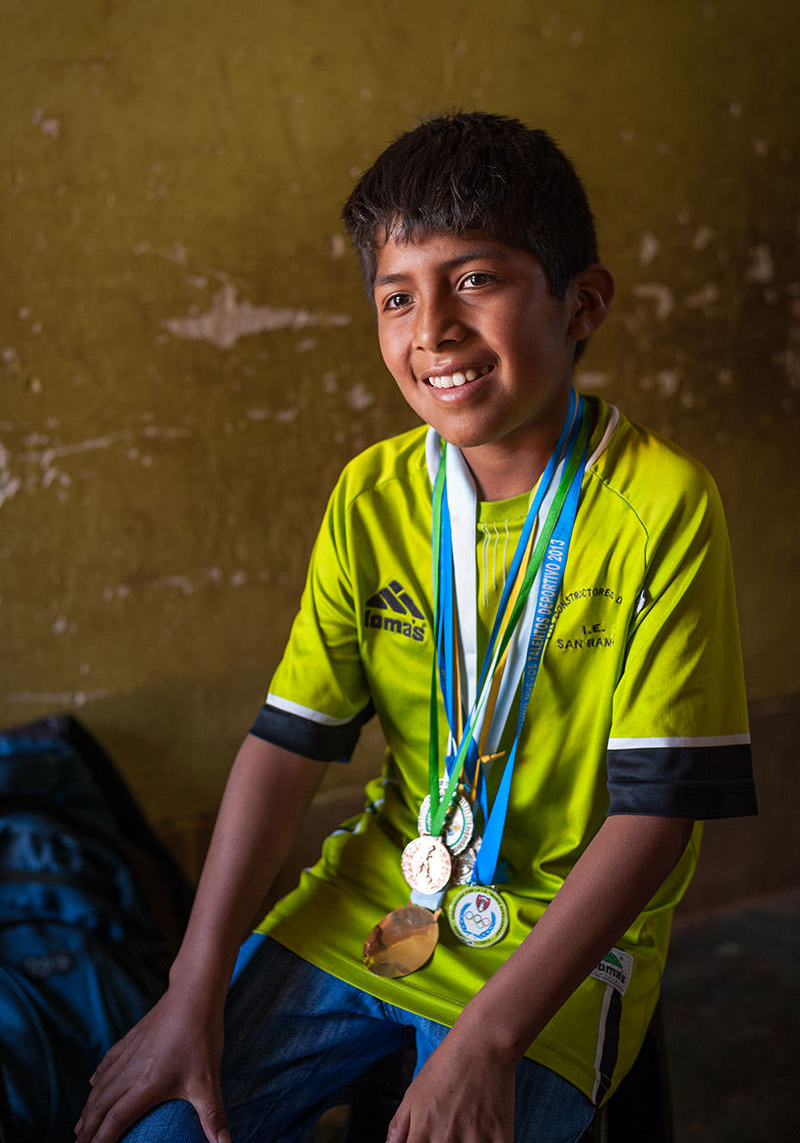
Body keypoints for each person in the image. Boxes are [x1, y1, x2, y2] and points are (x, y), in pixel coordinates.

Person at [75, 112, 756, 1143]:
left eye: (474, 279)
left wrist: (488, 1041)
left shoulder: (660, 505)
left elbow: (654, 820)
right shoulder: (373, 494)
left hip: (557, 941)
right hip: (380, 899)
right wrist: (190, 984)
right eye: (397, 295)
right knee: (156, 1128)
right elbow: (285, 745)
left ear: (581, 302)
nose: (431, 328)